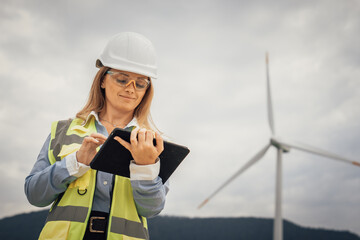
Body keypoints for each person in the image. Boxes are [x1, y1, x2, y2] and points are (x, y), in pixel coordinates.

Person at [25, 32, 169, 240]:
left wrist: (146, 168)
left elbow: (152, 209)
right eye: (122, 79)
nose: (131, 89)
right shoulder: (63, 131)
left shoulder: (153, 144)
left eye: (140, 83)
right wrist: (74, 163)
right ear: (102, 80)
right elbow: (34, 195)